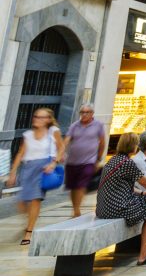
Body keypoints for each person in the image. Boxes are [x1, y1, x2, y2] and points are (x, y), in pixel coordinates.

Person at [95, 132, 146, 266]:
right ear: (132, 146)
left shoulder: (114, 160)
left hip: (103, 207)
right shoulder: (127, 163)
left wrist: (143, 194)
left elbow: (127, 187)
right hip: (116, 207)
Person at [5, 107, 65, 244]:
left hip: (42, 168)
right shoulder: (28, 135)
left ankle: (29, 232)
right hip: (27, 169)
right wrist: (13, 172)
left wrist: (53, 163)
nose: (37, 119)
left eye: (41, 117)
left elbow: (61, 148)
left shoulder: (53, 132)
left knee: (35, 199)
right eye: (36, 116)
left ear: (48, 120)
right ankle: (30, 221)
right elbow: (20, 153)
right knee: (21, 202)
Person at [62, 104, 106, 218]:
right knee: (72, 186)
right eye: (82, 112)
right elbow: (66, 140)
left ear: (92, 113)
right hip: (72, 161)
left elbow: (102, 143)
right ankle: (75, 207)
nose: (84, 115)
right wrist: (61, 152)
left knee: (81, 185)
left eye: (87, 112)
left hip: (89, 161)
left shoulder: (98, 125)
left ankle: (76, 211)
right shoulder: (74, 126)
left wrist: (98, 159)